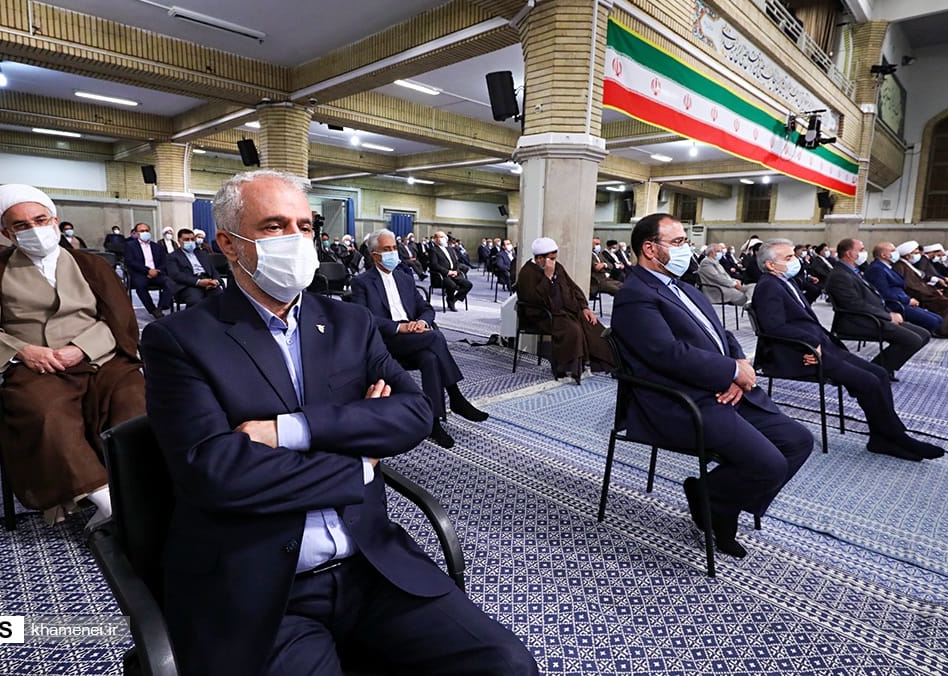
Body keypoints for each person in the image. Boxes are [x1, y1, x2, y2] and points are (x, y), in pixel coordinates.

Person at [139, 170, 536, 676]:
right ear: (230, 244)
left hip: (371, 566)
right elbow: (216, 473)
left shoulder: (348, 322)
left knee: (507, 665)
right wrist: (360, 464)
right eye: (275, 226)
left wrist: (290, 431)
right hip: (264, 588)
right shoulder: (180, 339)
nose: (297, 239)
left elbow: (414, 413)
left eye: (305, 226)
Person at [610, 215, 813, 558]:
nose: (686, 248)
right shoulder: (635, 295)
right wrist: (730, 371)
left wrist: (739, 365)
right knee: (769, 465)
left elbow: (722, 334)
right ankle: (718, 506)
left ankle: (712, 495)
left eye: (685, 241)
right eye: (677, 242)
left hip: (720, 387)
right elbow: (667, 355)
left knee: (798, 442)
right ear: (649, 249)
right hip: (680, 400)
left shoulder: (686, 288)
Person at [0, 184, 144, 528]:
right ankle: (105, 499)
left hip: (98, 357)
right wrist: (23, 351)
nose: (34, 229)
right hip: (34, 365)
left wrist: (81, 348)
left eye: (40, 220)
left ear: (54, 220)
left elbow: (117, 320)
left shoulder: (90, 265)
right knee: (45, 413)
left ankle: (138, 486)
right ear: (7, 233)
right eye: (22, 225)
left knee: (134, 399)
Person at [752, 239, 944, 461]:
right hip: (799, 353)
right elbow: (774, 327)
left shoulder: (785, 281)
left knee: (879, 373)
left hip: (819, 345)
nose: (795, 260)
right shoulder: (768, 286)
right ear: (770, 265)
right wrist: (810, 343)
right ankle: (892, 437)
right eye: (788, 258)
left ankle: (885, 436)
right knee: (868, 382)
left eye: (793, 255)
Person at [350, 229, 488, 449]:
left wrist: (421, 322)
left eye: (394, 248)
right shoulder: (362, 282)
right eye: (387, 249)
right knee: (436, 338)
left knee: (430, 359)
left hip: (415, 337)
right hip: (386, 340)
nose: (393, 253)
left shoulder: (404, 278)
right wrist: (400, 327)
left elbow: (426, 308)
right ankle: (456, 396)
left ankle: (433, 421)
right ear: (375, 255)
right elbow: (364, 318)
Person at [824, 238, 931, 378]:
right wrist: (888, 316)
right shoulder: (840, 275)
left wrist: (888, 313)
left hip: (874, 317)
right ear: (849, 254)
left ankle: (885, 367)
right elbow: (855, 305)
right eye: (861, 250)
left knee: (924, 334)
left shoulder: (852, 270)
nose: (864, 253)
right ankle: (874, 371)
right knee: (912, 340)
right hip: (857, 321)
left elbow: (872, 298)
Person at [516, 237, 614, 383]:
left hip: (565, 311)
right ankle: (567, 371)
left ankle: (602, 363)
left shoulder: (558, 267)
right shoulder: (527, 273)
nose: (554, 262)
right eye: (551, 258)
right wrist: (547, 278)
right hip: (542, 315)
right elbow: (534, 300)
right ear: (539, 258)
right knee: (573, 329)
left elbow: (573, 287)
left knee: (590, 323)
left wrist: (584, 307)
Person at [888, 241, 948, 340]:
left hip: (926, 291)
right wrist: (933, 291)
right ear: (908, 256)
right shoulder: (900, 266)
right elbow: (912, 286)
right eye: (916, 253)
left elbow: (921, 279)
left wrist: (933, 289)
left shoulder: (906, 264)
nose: (919, 255)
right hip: (919, 295)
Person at [863, 242, 945, 335]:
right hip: (894, 305)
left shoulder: (887, 267)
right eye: (892, 250)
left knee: (938, 319)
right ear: (883, 255)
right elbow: (884, 293)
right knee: (933, 321)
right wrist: (907, 300)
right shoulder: (877, 269)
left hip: (902, 302)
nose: (896, 252)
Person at [124, 222, 174, 318]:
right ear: (136, 233)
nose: (145, 233)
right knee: (140, 285)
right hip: (140, 273)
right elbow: (130, 262)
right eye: (142, 231)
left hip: (156, 273)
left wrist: (157, 271)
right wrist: (147, 271)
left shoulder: (157, 246)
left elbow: (164, 261)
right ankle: (152, 309)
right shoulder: (130, 246)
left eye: (147, 231)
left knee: (170, 282)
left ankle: (160, 307)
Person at [164, 228, 223, 307]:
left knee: (220, 297)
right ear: (179, 241)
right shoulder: (172, 256)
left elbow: (213, 271)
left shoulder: (202, 254)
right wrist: (199, 282)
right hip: (189, 285)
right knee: (195, 301)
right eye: (186, 239)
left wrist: (216, 281)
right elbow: (176, 275)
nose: (190, 242)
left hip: (208, 282)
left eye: (192, 239)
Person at [428, 230, 472, 310]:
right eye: (441, 237)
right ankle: (450, 300)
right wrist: (448, 272)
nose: (443, 238)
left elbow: (456, 263)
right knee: (452, 285)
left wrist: (456, 271)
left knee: (468, 284)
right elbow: (434, 265)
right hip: (442, 276)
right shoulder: (433, 250)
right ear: (435, 239)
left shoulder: (450, 249)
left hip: (454, 274)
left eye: (444, 237)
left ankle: (453, 299)